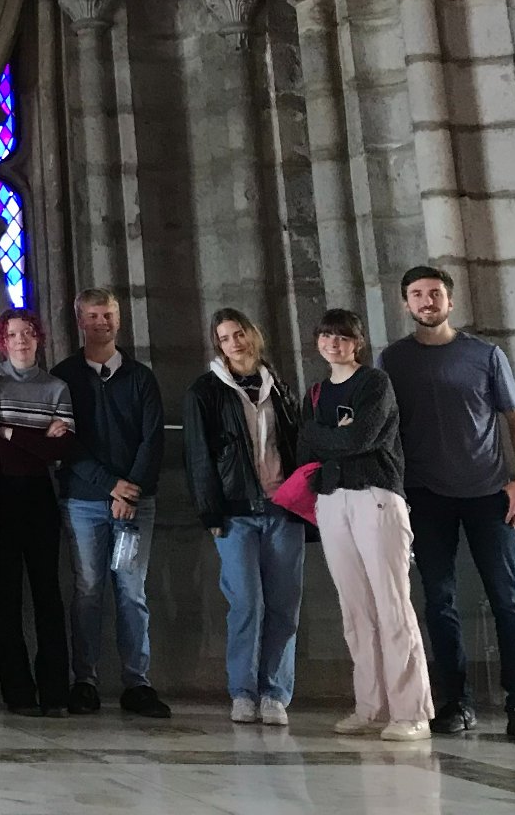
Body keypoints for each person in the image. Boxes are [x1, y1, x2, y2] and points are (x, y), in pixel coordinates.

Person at [380, 265, 515, 743]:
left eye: (435, 294)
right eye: (417, 294)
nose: (427, 301)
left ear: (450, 302)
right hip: (425, 495)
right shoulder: (393, 360)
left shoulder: (485, 355)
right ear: (405, 304)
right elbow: (387, 431)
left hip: (489, 493)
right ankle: (456, 702)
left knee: (508, 601)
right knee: (440, 601)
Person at [300, 308, 432, 742]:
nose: (332, 343)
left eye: (342, 336)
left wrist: (335, 436)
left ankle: (410, 711)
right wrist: (335, 433)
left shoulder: (375, 383)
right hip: (332, 501)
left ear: (356, 342)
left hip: (375, 496)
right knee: (355, 609)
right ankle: (369, 706)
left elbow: (361, 438)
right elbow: (305, 443)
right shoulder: (316, 393)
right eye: (325, 336)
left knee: (392, 604)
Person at [182, 307, 304, 726]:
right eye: (226, 337)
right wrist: (209, 511)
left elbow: (297, 446)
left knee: (285, 604)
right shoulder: (205, 391)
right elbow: (199, 456)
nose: (235, 342)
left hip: (282, 508)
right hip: (234, 512)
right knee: (247, 603)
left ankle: (275, 692)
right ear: (218, 345)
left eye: (240, 333)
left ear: (254, 335)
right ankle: (242, 691)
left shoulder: (280, 387)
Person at [52, 287, 170, 718]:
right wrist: (109, 486)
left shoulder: (140, 377)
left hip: (136, 505)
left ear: (118, 320)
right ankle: (85, 680)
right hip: (84, 502)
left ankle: (137, 683)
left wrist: (130, 489)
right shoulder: (63, 376)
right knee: (87, 590)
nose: (102, 322)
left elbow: (152, 437)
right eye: (94, 315)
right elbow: (66, 441)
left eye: (109, 315)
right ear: (80, 321)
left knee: (131, 591)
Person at [0, 307, 75, 717]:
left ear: (39, 338)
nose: (21, 340)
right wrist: (37, 437)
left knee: (48, 592)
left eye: (29, 333)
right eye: (13, 334)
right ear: (2, 340)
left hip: (41, 497)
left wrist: (12, 430)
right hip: (2, 496)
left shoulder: (57, 387)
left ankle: (54, 690)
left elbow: (62, 449)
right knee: (7, 594)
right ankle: (17, 691)